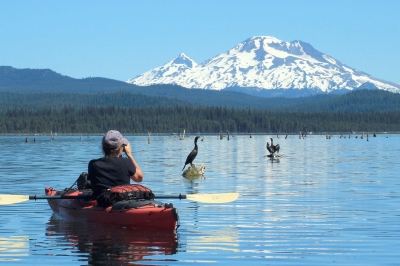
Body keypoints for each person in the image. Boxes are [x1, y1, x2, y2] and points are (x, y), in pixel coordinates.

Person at [88, 130, 143, 198]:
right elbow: (139, 178)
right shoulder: (126, 162)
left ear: (103, 147)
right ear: (120, 148)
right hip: (121, 201)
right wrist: (129, 155)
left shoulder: (93, 164)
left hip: (101, 202)